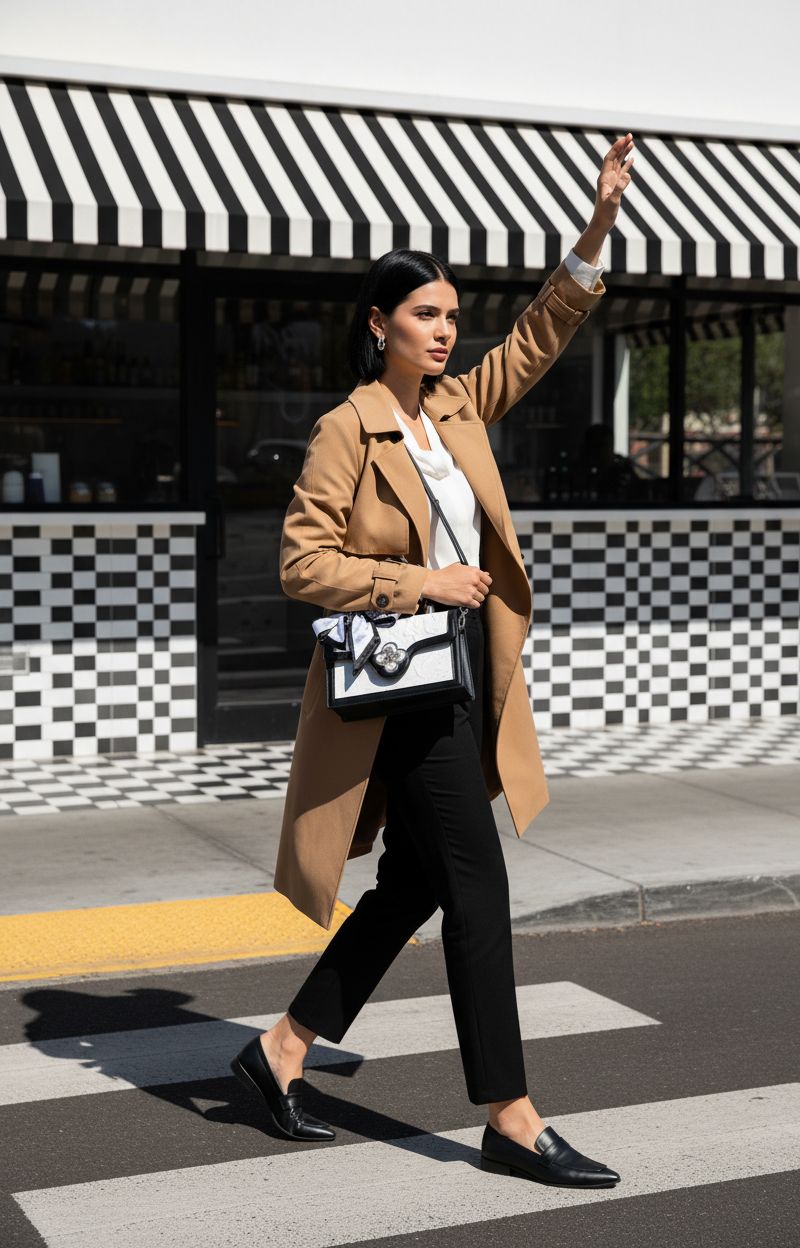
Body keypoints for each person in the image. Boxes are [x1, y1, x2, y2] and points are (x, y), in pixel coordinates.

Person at [231, 134, 635, 1187]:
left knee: (413, 885)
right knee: (479, 887)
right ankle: (509, 1116)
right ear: (380, 326)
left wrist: (592, 230)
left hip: (457, 673)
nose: (446, 332)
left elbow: (542, 333)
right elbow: (301, 565)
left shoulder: (455, 408)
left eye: (453, 316)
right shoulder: (346, 430)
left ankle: (278, 1053)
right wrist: (421, 584)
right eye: (425, 315)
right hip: (397, 686)